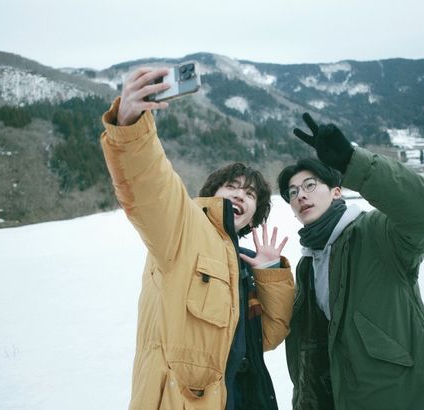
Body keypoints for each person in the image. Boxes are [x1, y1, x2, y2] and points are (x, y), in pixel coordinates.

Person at [100, 66, 294, 410]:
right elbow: (151, 189)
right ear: (211, 193)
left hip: (245, 398)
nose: (240, 196)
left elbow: (267, 336)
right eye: (231, 187)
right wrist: (130, 127)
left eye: (249, 194)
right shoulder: (184, 229)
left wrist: (268, 273)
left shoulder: (243, 263)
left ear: (255, 213)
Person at [278, 113, 424, 409]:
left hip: (407, 398)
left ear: (337, 192)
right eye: (293, 192)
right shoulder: (306, 266)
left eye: (310, 185)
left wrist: (353, 162)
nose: (301, 195)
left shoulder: (375, 234)